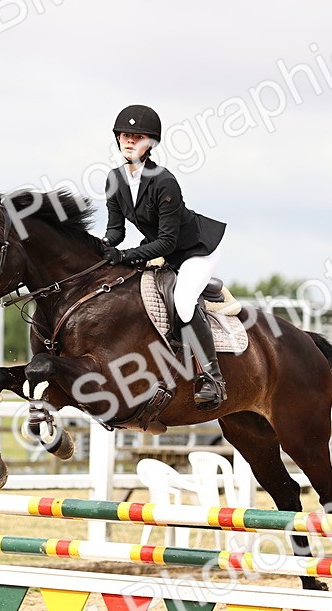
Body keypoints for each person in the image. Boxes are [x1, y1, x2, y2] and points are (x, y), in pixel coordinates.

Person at [100, 104, 228, 410]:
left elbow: (168, 242)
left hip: (197, 249)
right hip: (162, 248)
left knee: (183, 300)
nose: (130, 141)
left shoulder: (164, 181)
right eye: (125, 136)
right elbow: (115, 231)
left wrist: (126, 255)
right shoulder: (114, 179)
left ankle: (213, 379)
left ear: (150, 144)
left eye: (137, 137)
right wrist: (99, 247)